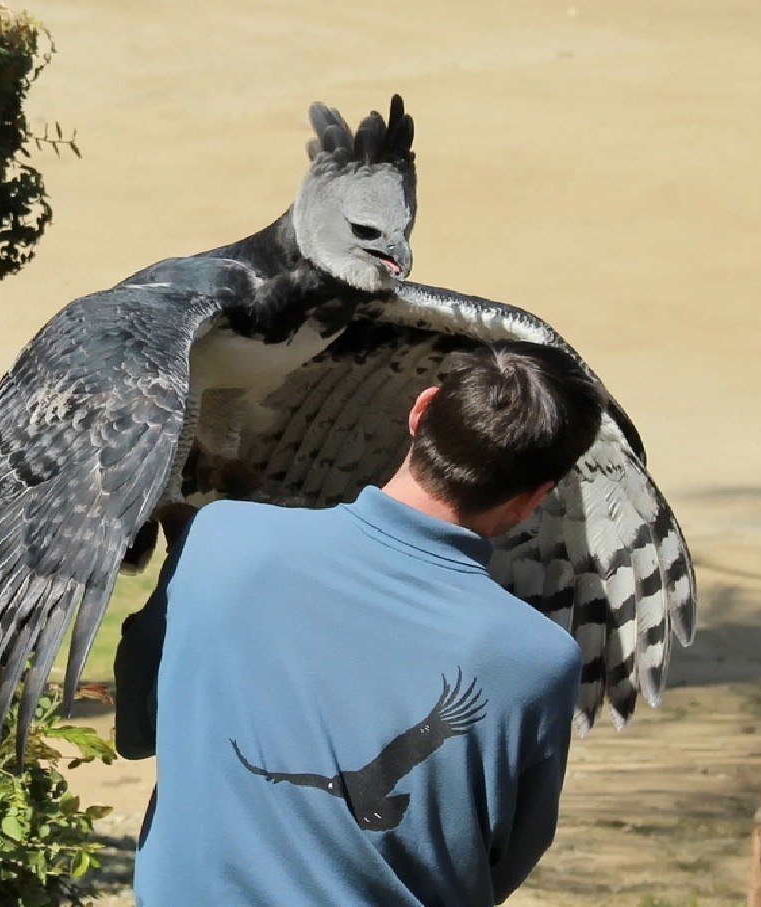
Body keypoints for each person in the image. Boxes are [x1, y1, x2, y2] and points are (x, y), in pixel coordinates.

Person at [114, 340, 604, 906]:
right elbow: (504, 858)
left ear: (420, 410)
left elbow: (139, 729)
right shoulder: (535, 656)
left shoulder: (216, 538)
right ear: (535, 497)